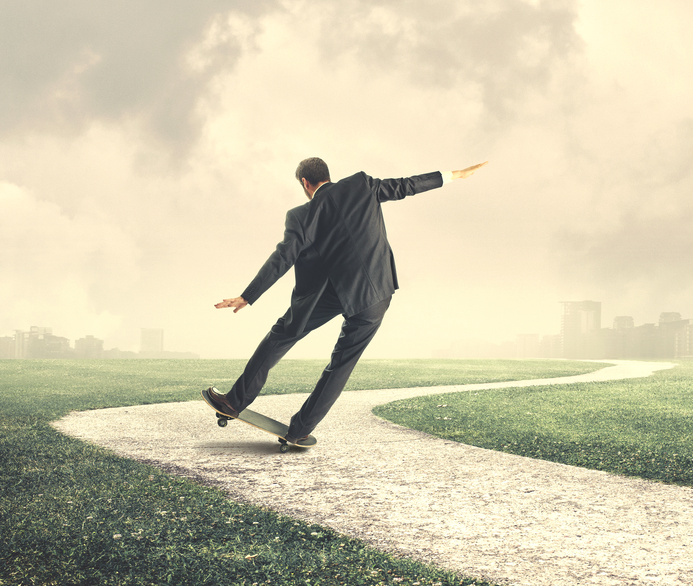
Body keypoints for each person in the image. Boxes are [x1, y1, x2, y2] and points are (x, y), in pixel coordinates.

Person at [205, 157, 487, 445]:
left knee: (282, 334)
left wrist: (248, 296)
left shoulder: (301, 215)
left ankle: (233, 402)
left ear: (305, 183)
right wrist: (455, 175)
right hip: (376, 293)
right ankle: (300, 429)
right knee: (341, 364)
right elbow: (407, 186)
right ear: (327, 175)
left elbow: (283, 258)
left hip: (333, 293)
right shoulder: (362, 185)